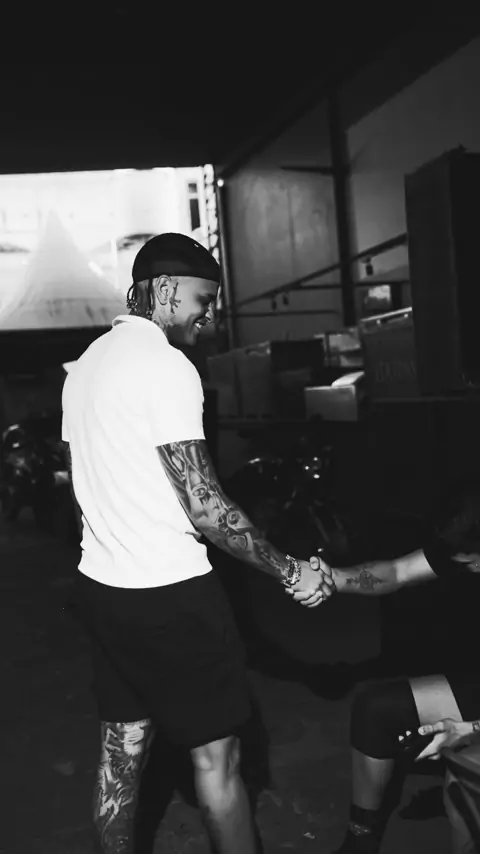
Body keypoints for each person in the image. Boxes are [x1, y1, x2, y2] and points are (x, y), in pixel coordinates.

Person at [61, 232, 334, 854]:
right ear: (163, 288)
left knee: (120, 755)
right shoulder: (165, 366)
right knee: (218, 763)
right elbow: (206, 506)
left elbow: (79, 494)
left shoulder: (86, 366)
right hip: (172, 596)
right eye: (203, 300)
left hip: (103, 589)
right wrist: (291, 571)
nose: (208, 317)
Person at [288, 487, 480, 853]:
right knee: (376, 710)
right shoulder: (468, 536)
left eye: (474, 562)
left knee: (462, 793)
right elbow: (397, 571)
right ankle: (361, 840)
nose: (475, 570)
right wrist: (333, 577)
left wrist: (472, 731)